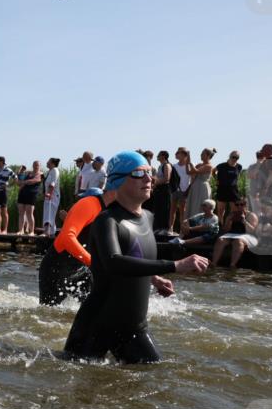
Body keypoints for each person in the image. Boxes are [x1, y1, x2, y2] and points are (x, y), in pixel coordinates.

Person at [62, 151, 209, 364]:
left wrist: (154, 278)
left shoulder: (148, 218)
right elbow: (113, 262)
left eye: (149, 172)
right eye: (139, 173)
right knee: (78, 390)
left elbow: (135, 253)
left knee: (153, 377)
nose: (149, 179)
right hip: (97, 325)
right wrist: (174, 265)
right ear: (118, 181)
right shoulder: (107, 221)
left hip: (132, 327)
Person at [38, 187, 115, 306]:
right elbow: (67, 238)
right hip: (56, 269)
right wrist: (93, 262)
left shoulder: (106, 214)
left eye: (81, 198)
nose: (78, 201)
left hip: (81, 271)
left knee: (94, 308)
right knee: (50, 315)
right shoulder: (89, 205)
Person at [211, 199, 260, 268]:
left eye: (241, 205)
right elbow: (226, 229)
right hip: (232, 234)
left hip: (248, 235)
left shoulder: (251, 215)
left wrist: (244, 221)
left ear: (246, 205)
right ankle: (214, 263)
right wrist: (229, 220)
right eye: (237, 205)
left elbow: (252, 231)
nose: (239, 206)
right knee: (220, 240)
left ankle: (232, 264)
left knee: (238, 241)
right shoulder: (232, 214)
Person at [185, 148, 216, 227]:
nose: (201, 155)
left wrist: (190, 163)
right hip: (195, 187)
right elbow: (189, 172)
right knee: (192, 206)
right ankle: (190, 227)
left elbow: (196, 171)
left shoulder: (209, 166)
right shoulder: (199, 165)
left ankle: (200, 227)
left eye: (203, 154)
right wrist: (187, 162)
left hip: (203, 188)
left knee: (200, 206)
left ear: (208, 155)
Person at [214, 151, 243, 224]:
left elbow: (238, 176)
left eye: (237, 158)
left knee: (234, 211)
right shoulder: (221, 166)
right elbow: (213, 171)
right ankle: (220, 227)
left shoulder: (239, 166)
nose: (235, 159)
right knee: (220, 211)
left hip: (233, 190)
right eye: (233, 157)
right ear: (229, 156)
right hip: (222, 189)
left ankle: (231, 227)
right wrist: (216, 179)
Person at [168, 147, 192, 232]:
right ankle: (170, 228)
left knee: (183, 211)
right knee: (172, 210)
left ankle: (182, 230)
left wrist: (188, 190)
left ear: (184, 155)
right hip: (175, 191)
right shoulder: (174, 166)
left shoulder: (188, 166)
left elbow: (192, 179)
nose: (176, 154)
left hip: (184, 191)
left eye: (178, 153)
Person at [16, 161, 42, 235]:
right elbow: (19, 180)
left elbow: (35, 180)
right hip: (22, 194)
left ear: (40, 166)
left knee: (29, 213)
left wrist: (24, 182)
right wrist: (21, 183)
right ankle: (21, 230)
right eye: (34, 165)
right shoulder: (28, 173)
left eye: (37, 165)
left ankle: (31, 231)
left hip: (31, 194)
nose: (35, 166)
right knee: (21, 213)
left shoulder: (41, 174)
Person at [151, 150, 173, 232]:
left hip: (165, 190)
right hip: (159, 190)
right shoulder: (160, 166)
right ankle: (158, 228)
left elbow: (166, 179)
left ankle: (164, 229)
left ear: (163, 156)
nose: (157, 156)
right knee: (158, 209)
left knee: (164, 209)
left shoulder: (167, 165)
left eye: (159, 155)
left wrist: (155, 181)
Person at [42, 157, 61, 236]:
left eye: (48, 161)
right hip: (49, 195)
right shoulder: (49, 171)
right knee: (48, 213)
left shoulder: (55, 170)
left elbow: (53, 183)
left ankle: (47, 232)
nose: (46, 162)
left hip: (52, 196)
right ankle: (51, 233)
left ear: (52, 163)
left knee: (49, 214)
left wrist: (49, 193)